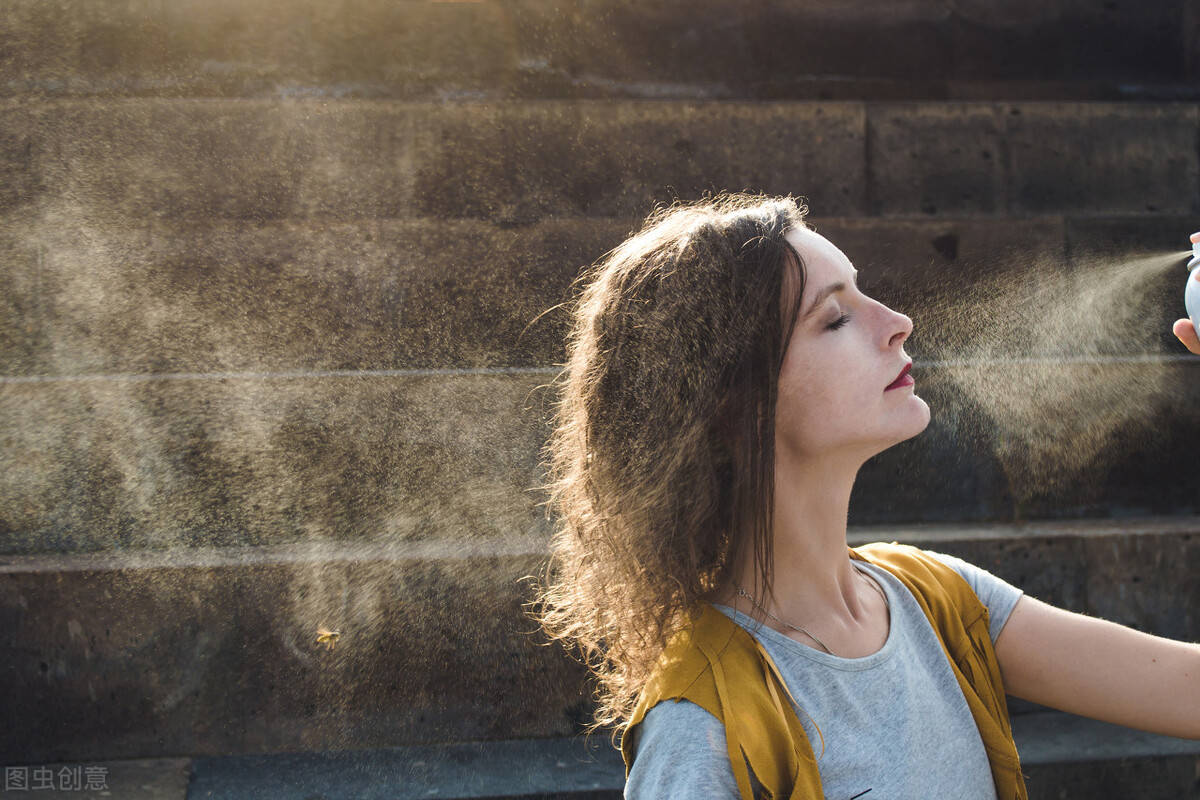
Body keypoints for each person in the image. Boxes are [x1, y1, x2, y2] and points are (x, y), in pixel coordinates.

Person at [532, 193, 1200, 799]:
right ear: (729, 406)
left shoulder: (939, 600)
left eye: (865, 294)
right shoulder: (703, 733)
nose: (898, 322)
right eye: (835, 319)